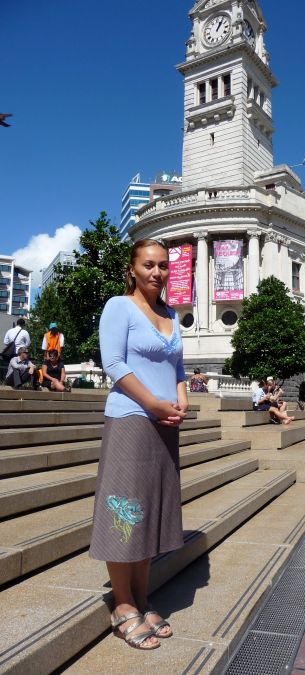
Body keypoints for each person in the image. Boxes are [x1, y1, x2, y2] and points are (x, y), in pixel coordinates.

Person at [89, 239, 188, 651]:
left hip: (166, 423)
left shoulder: (170, 314)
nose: (157, 273)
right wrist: (151, 401)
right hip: (131, 418)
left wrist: (181, 398)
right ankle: (123, 603)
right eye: (148, 265)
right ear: (132, 268)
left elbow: (178, 366)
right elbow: (113, 363)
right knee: (125, 509)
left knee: (150, 510)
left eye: (163, 266)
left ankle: (144, 599)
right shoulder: (119, 306)